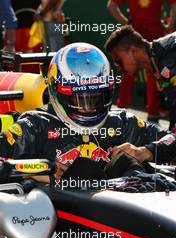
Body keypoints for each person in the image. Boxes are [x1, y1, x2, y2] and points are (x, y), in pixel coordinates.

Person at [0, 42, 175, 188]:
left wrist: (146, 152)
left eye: (95, 98)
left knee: (128, 163)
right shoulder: (36, 126)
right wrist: (42, 171)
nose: (88, 108)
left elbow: (172, 138)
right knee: (83, 169)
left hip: (126, 216)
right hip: (60, 221)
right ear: (56, 91)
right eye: (79, 99)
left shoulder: (121, 123)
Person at [107, 0, 176, 123]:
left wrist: (127, 24)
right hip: (153, 33)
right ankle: (151, 112)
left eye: (119, 61)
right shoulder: (158, 60)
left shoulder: (166, 59)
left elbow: (111, 5)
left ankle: (124, 109)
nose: (119, 67)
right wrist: (169, 25)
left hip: (143, 32)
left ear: (132, 50)